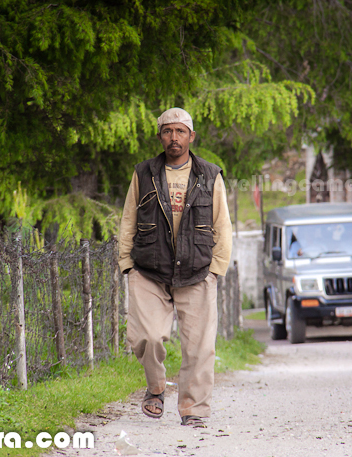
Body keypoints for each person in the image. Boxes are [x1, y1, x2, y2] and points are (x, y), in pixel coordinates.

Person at [118, 107, 232, 428]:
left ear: (191, 136)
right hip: (149, 270)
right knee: (148, 337)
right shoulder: (144, 173)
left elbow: (222, 225)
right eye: (168, 132)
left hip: (197, 272)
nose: (174, 138)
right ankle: (155, 388)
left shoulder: (210, 175)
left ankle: (194, 410)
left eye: (180, 132)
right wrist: (127, 263)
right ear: (160, 136)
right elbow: (129, 219)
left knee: (199, 347)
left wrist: (216, 270)